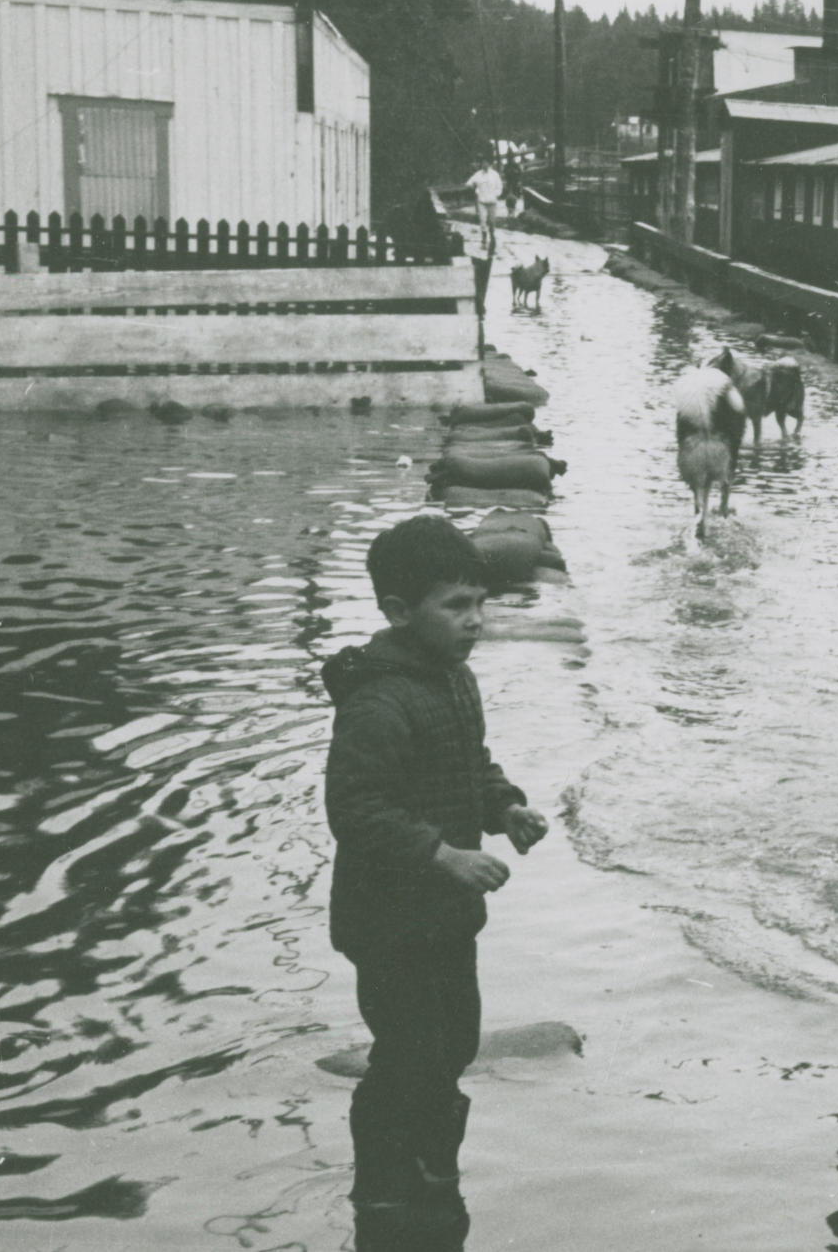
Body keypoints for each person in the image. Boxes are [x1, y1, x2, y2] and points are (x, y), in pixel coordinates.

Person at [321, 515, 549, 1233]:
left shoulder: (455, 681)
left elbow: (470, 765)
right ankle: (384, 1184)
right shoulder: (377, 700)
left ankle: (433, 1164)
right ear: (397, 610)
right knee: (409, 1048)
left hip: (447, 917)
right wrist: (443, 853)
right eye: (455, 606)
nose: (475, 621)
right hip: (388, 921)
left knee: (455, 1041)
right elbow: (355, 808)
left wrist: (505, 806)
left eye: (479, 603)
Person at [466, 158, 504, 229]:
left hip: (492, 201)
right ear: (481, 165)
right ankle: (484, 237)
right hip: (482, 201)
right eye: (483, 163)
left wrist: (496, 195)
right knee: (483, 220)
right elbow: (469, 183)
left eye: (486, 163)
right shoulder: (478, 174)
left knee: (492, 221)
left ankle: (492, 236)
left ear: (489, 164)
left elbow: (499, 186)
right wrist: (474, 188)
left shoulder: (494, 174)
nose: (485, 165)